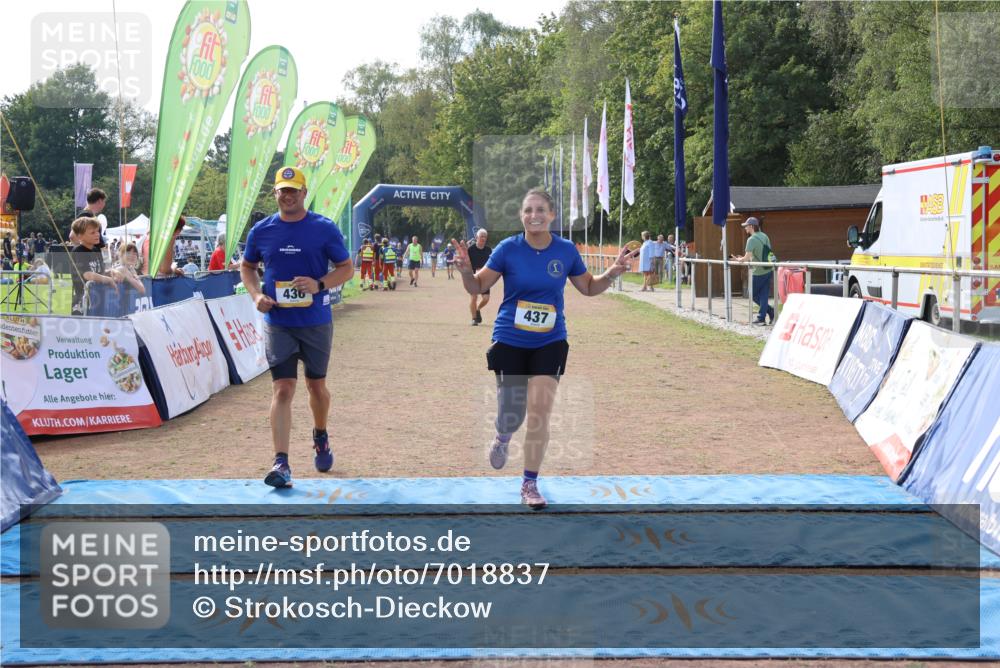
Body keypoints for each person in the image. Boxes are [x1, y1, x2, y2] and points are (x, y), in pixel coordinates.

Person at [452, 188, 636, 509]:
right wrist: (466, 270)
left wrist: (613, 272)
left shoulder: (565, 250)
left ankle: (529, 483)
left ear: (552, 215)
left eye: (540, 210)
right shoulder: (509, 249)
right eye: (527, 210)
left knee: (539, 413)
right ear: (521, 215)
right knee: (512, 412)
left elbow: (589, 287)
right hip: (510, 338)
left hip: (550, 341)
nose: (534, 215)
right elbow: (478, 286)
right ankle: (503, 436)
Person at [240, 166, 353, 488]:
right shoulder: (261, 231)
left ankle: (320, 434)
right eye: (282, 190)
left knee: (316, 386)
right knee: (283, 388)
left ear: (304, 193)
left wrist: (319, 284)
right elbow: (247, 268)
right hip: (279, 322)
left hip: (315, 321)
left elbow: (346, 268)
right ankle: (281, 462)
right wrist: (256, 293)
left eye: (293, 190)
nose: (287, 196)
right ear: (275, 194)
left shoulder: (323, 228)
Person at [68, 216, 120, 315]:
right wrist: (108, 279)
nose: (97, 234)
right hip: (82, 301)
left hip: (97, 298)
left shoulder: (96, 250)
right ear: (80, 236)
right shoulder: (79, 251)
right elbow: (87, 274)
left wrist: (113, 272)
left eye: (97, 231)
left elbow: (101, 272)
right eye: (92, 232)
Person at [731, 216, 775, 325]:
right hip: (768, 269)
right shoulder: (765, 236)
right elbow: (765, 253)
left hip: (758, 272)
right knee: (764, 295)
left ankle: (768, 312)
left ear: (751, 226)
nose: (745, 228)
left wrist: (738, 259)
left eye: (746, 226)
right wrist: (746, 257)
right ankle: (762, 316)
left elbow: (746, 258)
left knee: (752, 294)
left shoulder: (751, 240)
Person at [467, 229, 492, 325]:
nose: (483, 238)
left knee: (486, 298)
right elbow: (467, 263)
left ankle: (477, 309)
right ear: (477, 237)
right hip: (473, 277)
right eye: (481, 236)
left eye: (485, 236)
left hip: (485, 277)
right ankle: (474, 319)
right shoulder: (471, 250)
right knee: (474, 298)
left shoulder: (488, 250)